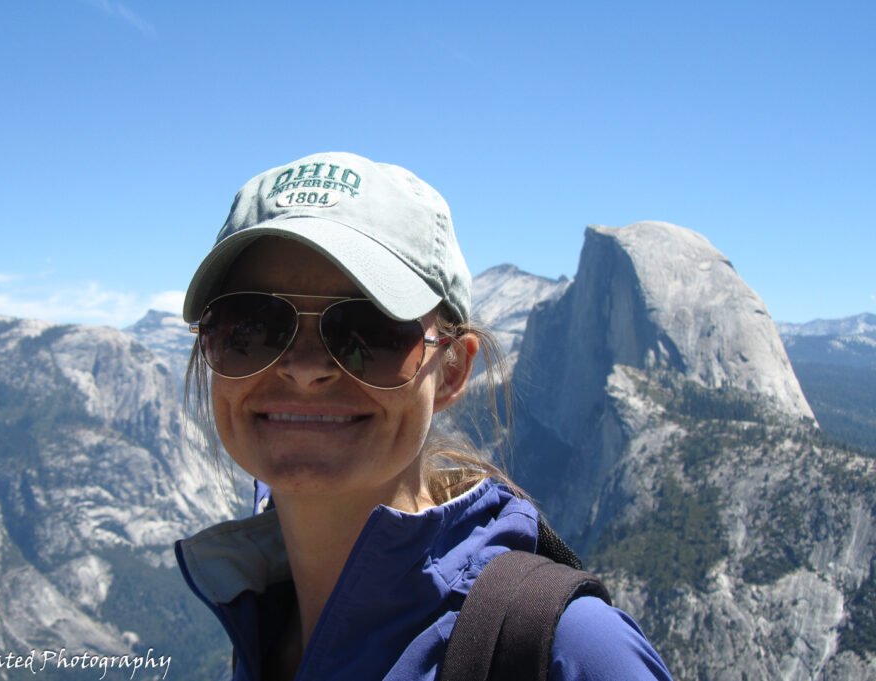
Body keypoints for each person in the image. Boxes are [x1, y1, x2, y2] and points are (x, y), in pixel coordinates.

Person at [174, 152, 672, 680]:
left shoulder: (572, 651)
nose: (304, 368)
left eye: (370, 329)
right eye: (250, 325)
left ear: (453, 369)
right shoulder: (260, 617)